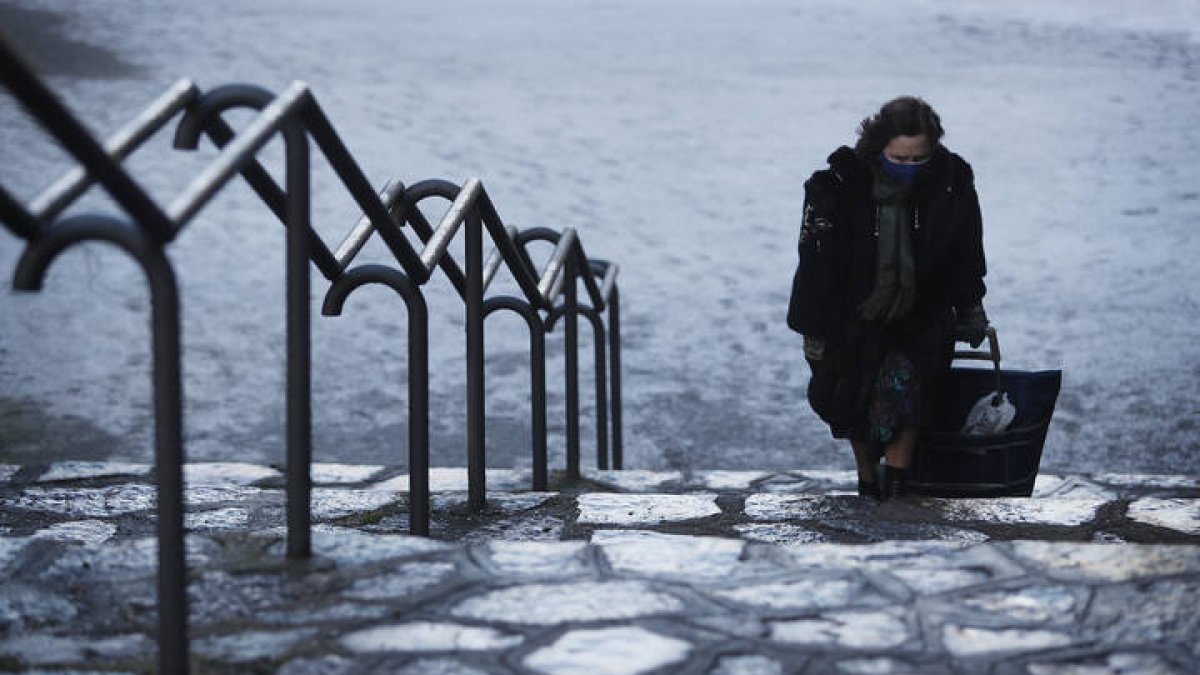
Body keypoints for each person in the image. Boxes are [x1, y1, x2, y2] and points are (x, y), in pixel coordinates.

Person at [787, 96, 989, 500]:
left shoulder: (952, 179)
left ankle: (897, 487)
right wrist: (812, 329)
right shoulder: (840, 184)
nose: (910, 168)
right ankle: (868, 479)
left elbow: (967, 249)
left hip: (924, 313)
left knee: (908, 397)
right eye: (899, 158)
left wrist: (971, 306)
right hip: (852, 314)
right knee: (852, 405)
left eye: (919, 159)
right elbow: (815, 261)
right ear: (878, 145)